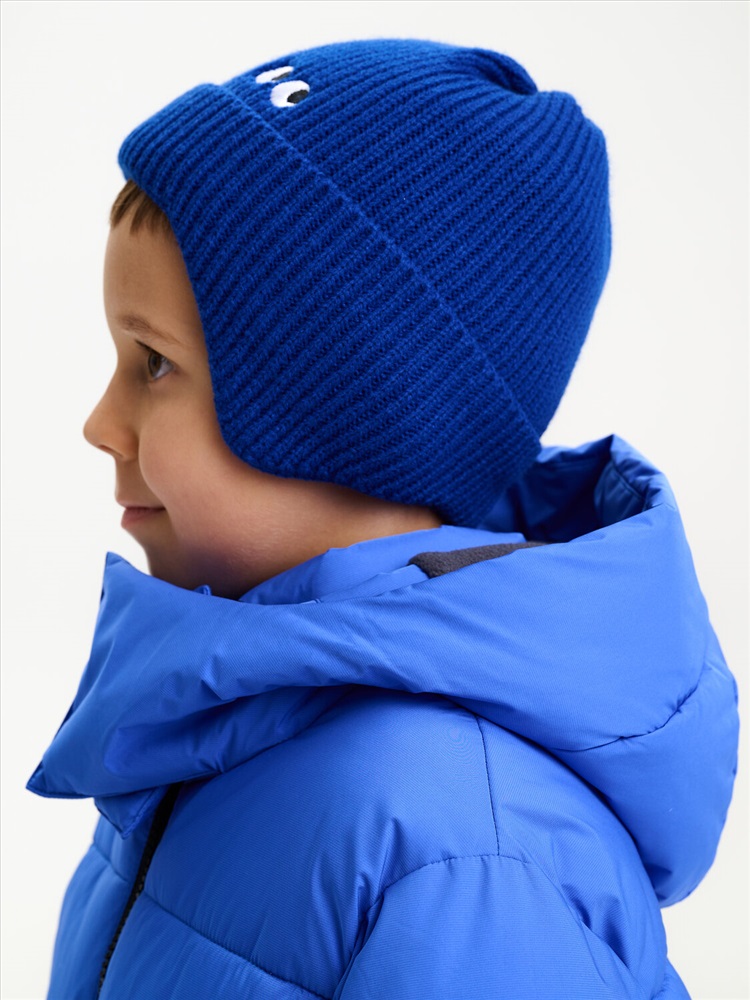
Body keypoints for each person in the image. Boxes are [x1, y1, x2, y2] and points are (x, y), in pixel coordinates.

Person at [27, 38, 739, 999]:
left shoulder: (458, 856)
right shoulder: (223, 715)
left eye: (154, 364)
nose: (100, 424)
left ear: (342, 414)